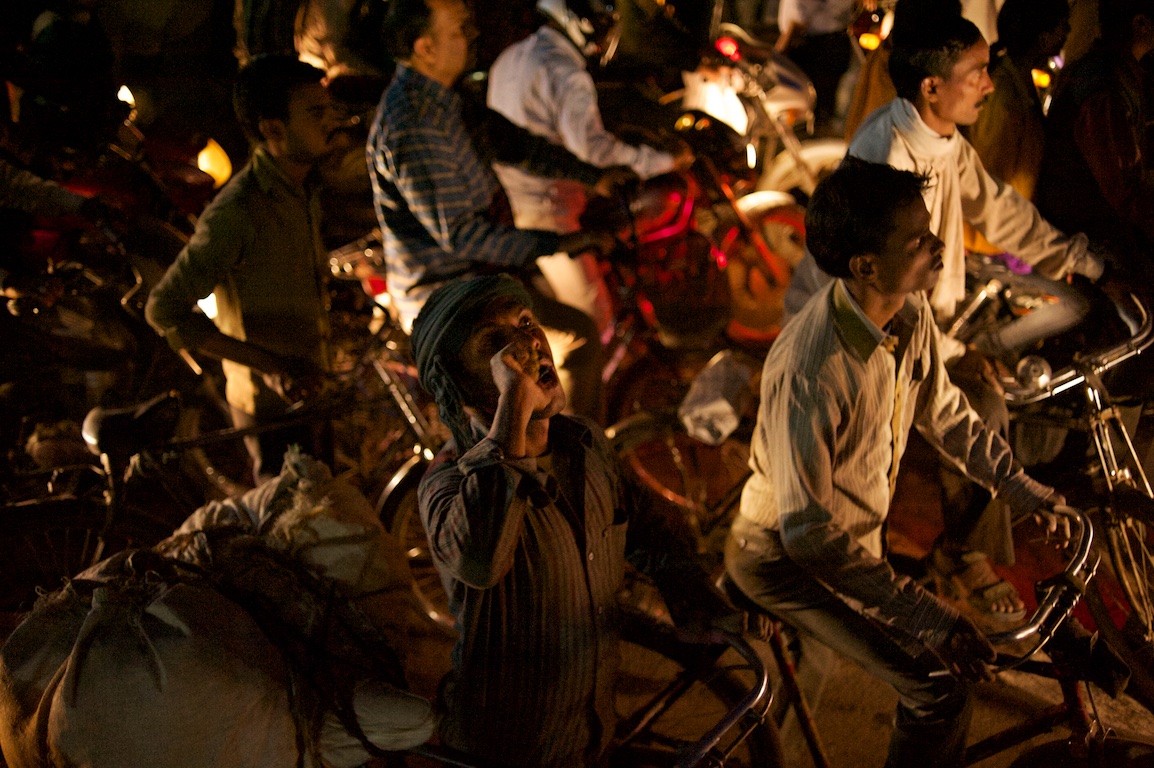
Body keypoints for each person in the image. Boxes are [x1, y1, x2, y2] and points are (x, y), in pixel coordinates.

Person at [726, 158, 1070, 768]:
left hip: (847, 545)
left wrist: (1025, 491)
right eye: (919, 240)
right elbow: (807, 532)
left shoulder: (907, 315)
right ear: (865, 267)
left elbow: (946, 414)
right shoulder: (814, 366)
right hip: (783, 554)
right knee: (938, 689)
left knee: (793, 699)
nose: (939, 246)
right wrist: (926, 610)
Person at [411, 273, 727, 767]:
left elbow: (648, 531)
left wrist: (695, 601)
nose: (528, 343)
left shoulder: (583, 443)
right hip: (512, 752)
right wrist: (514, 403)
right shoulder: (446, 486)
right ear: (458, 384)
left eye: (526, 323)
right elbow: (479, 559)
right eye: (495, 344)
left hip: (592, 736)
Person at [368, 0, 635, 421]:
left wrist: (591, 175)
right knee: (576, 341)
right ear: (426, 48)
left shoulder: (445, 99)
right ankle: (566, 465)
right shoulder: (414, 124)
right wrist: (560, 242)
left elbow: (511, 143)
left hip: (478, 279)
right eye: (458, 29)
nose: (472, 36)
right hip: (448, 296)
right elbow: (463, 235)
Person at [146, 54, 341, 483]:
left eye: (329, 110)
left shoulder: (299, 188)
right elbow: (164, 309)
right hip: (271, 416)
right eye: (316, 113)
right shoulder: (236, 212)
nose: (333, 121)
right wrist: (271, 367)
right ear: (273, 129)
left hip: (311, 394)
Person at [487, 0, 693, 332]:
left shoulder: (507, 61)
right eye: (606, 21)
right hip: (551, 212)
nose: (609, 31)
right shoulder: (564, 71)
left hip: (524, 205)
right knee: (595, 324)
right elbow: (593, 150)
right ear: (584, 21)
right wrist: (664, 161)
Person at [1035, 0, 1154, 266]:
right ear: (1141, 24)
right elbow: (1124, 192)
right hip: (1087, 234)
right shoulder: (1101, 87)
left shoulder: (1124, 71)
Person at [965, 0, 1070, 205]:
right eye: (1062, 24)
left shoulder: (1019, 82)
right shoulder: (1002, 94)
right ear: (1042, 36)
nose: (1068, 30)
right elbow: (992, 176)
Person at [774, 0, 857, 135]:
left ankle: (815, 149)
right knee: (822, 109)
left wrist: (777, 56)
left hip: (817, 47)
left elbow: (799, 20)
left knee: (810, 111)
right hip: (830, 42)